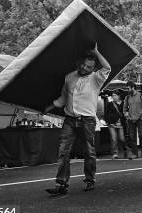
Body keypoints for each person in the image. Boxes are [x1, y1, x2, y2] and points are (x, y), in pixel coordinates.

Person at [43, 44, 111, 195]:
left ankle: (90, 180)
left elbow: (107, 68)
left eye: (90, 67)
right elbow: (63, 98)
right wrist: (50, 106)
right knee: (63, 152)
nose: (86, 68)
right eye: (85, 65)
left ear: (93, 68)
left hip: (87, 120)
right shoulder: (69, 77)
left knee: (89, 152)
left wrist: (97, 52)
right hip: (70, 119)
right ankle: (61, 184)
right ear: (80, 63)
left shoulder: (96, 79)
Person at [104, 91, 131, 159]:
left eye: (115, 95)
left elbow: (126, 112)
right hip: (112, 125)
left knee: (122, 138)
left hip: (121, 124)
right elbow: (106, 114)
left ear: (119, 96)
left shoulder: (124, 104)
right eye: (112, 95)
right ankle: (115, 153)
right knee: (114, 139)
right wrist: (108, 122)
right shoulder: (110, 104)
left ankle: (125, 150)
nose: (113, 97)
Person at [123, 81, 142, 158]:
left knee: (141, 135)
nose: (127, 90)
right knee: (132, 137)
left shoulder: (141, 96)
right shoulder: (127, 97)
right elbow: (125, 108)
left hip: (140, 119)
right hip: (130, 120)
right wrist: (126, 114)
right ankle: (134, 153)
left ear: (133, 87)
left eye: (128, 88)